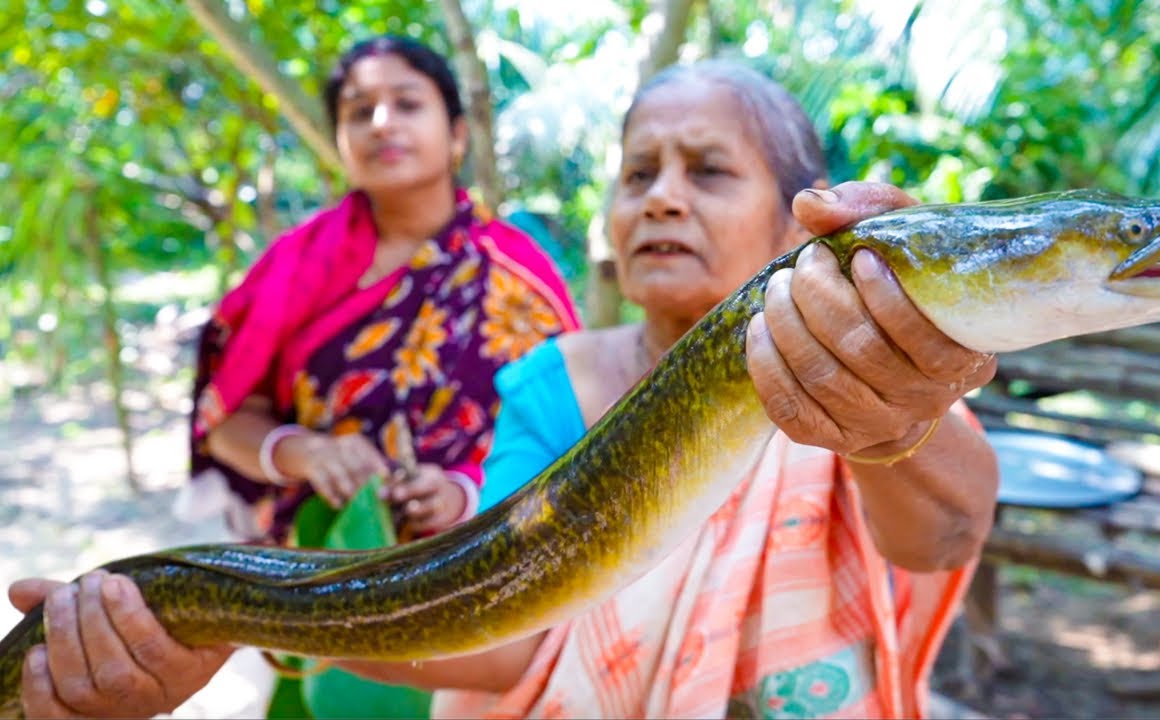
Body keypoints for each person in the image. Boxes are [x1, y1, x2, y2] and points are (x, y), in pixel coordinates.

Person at [8, 60, 998, 719]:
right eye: (636, 172)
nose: (659, 195)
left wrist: (896, 414)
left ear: (800, 220)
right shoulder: (552, 383)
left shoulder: (875, 356)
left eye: (706, 172)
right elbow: (493, 631)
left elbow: (942, 538)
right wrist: (215, 614)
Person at [187, 34, 579, 545]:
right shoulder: (292, 267)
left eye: (408, 104)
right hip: (303, 578)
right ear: (340, 140)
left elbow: (570, 439)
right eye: (359, 111)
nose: (382, 123)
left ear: (457, 135)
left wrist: (463, 494)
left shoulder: (516, 274)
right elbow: (224, 424)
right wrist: (304, 452)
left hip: (476, 574)